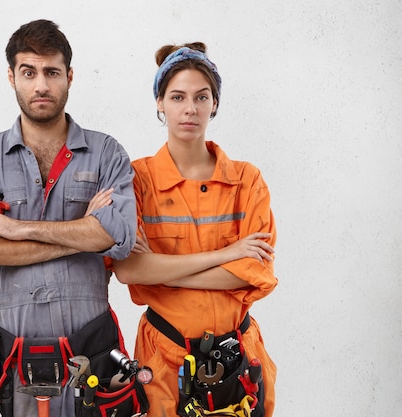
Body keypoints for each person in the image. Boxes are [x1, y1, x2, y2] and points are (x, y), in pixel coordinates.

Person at [0, 19, 137, 417]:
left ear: (69, 77)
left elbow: (118, 236)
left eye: (52, 72)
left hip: (91, 345)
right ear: (11, 77)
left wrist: (15, 229)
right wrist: (81, 233)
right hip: (7, 352)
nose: (41, 85)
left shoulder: (107, 153)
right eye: (29, 72)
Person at [112, 42, 278, 417]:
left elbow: (256, 271)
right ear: (159, 102)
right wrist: (226, 255)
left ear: (214, 104)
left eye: (202, 97)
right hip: (166, 362)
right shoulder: (137, 180)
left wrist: (162, 272)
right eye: (177, 97)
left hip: (239, 361)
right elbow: (129, 270)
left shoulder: (247, 181)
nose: (190, 108)